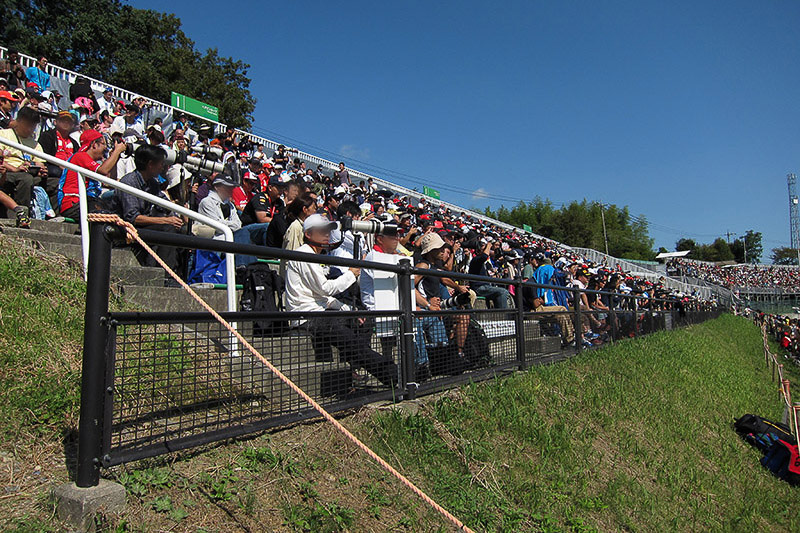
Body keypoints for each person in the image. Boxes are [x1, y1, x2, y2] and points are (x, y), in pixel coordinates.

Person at [285, 213, 398, 387]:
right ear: (308, 234)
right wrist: (351, 274)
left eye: (329, 230)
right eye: (322, 230)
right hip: (306, 316)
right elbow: (325, 289)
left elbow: (323, 297)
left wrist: (349, 310)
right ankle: (391, 375)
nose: (327, 233)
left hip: (320, 312)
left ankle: (356, 368)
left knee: (362, 320)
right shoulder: (304, 254)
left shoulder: (317, 256)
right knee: (349, 338)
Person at [112, 144, 183, 275]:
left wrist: (179, 212)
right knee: (168, 229)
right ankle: (167, 276)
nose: (162, 167)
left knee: (184, 232)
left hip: (144, 227)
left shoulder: (152, 183)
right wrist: (165, 221)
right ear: (150, 164)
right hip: (126, 231)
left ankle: (181, 274)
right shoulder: (128, 183)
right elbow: (132, 218)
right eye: (161, 164)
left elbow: (165, 204)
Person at [57, 129, 126, 220]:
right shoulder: (80, 156)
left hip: (84, 202)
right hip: (73, 204)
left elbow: (110, 181)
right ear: (94, 144)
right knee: (107, 216)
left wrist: (115, 157)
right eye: (103, 144)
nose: (106, 148)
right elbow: (104, 170)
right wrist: (117, 151)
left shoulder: (88, 161)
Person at [0, 106, 46, 210]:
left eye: (33, 126)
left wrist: (40, 169)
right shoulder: (3, 135)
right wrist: (15, 168)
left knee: (54, 182)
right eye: (28, 125)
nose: (30, 129)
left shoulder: (35, 144)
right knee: (26, 179)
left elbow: (40, 163)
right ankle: (22, 213)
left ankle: (53, 215)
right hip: (7, 172)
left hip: (27, 172)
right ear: (19, 121)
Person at [527, 253, 575, 347]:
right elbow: (536, 304)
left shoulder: (539, 283)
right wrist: (542, 301)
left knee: (564, 309)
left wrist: (542, 301)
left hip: (539, 308)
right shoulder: (532, 283)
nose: (551, 279)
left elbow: (541, 300)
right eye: (549, 276)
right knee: (560, 313)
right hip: (531, 311)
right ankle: (569, 340)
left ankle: (571, 335)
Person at [468, 240, 511, 309]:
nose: (489, 251)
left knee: (503, 292)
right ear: (478, 251)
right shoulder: (475, 260)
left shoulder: (486, 263)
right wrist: (488, 245)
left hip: (486, 286)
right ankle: (502, 315)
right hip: (479, 287)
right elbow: (484, 256)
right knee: (503, 292)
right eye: (486, 249)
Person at [197, 173, 242, 240]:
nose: (231, 190)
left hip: (229, 240)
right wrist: (231, 224)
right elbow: (217, 226)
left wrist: (225, 224)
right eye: (227, 187)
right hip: (211, 243)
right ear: (217, 187)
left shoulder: (230, 205)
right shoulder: (206, 202)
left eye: (231, 188)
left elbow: (238, 225)